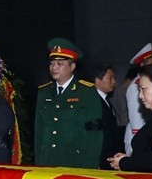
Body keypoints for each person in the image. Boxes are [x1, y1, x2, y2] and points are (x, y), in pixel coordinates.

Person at [34, 38, 102, 169]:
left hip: (75, 161)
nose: (54, 67)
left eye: (60, 64)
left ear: (72, 66)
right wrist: (39, 162)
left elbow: (95, 132)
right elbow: (39, 130)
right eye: (52, 63)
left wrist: (91, 165)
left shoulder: (86, 92)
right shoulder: (43, 92)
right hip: (48, 161)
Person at [124, 43, 152, 154]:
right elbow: (136, 119)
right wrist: (140, 146)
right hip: (138, 141)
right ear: (142, 65)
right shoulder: (136, 86)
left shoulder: (151, 83)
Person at [92, 64, 124, 169]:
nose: (114, 81)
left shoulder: (106, 100)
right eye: (110, 78)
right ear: (97, 80)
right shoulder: (93, 102)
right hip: (100, 159)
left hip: (109, 158)